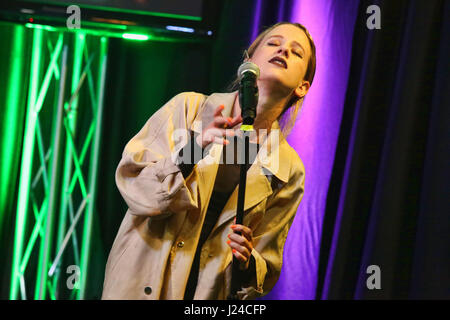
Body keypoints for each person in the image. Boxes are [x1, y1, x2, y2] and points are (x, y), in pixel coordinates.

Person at [101, 21, 316, 300]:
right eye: (274, 43)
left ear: (302, 87)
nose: (284, 51)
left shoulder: (289, 170)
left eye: (296, 52)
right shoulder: (188, 109)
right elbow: (136, 188)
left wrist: (248, 261)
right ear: (248, 63)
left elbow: (266, 268)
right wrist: (195, 147)